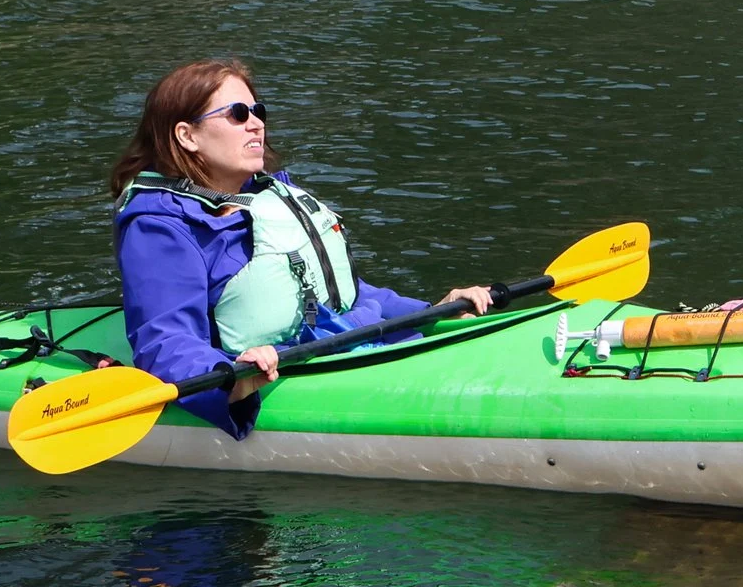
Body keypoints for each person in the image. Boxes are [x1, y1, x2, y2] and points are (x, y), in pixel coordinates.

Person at [108, 58, 490, 436]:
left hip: (332, 349)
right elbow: (164, 342)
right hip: (255, 375)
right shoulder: (158, 227)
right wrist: (232, 379)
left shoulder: (268, 200)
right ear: (187, 136)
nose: (256, 123)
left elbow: (343, 296)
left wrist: (434, 313)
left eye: (258, 111)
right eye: (238, 114)